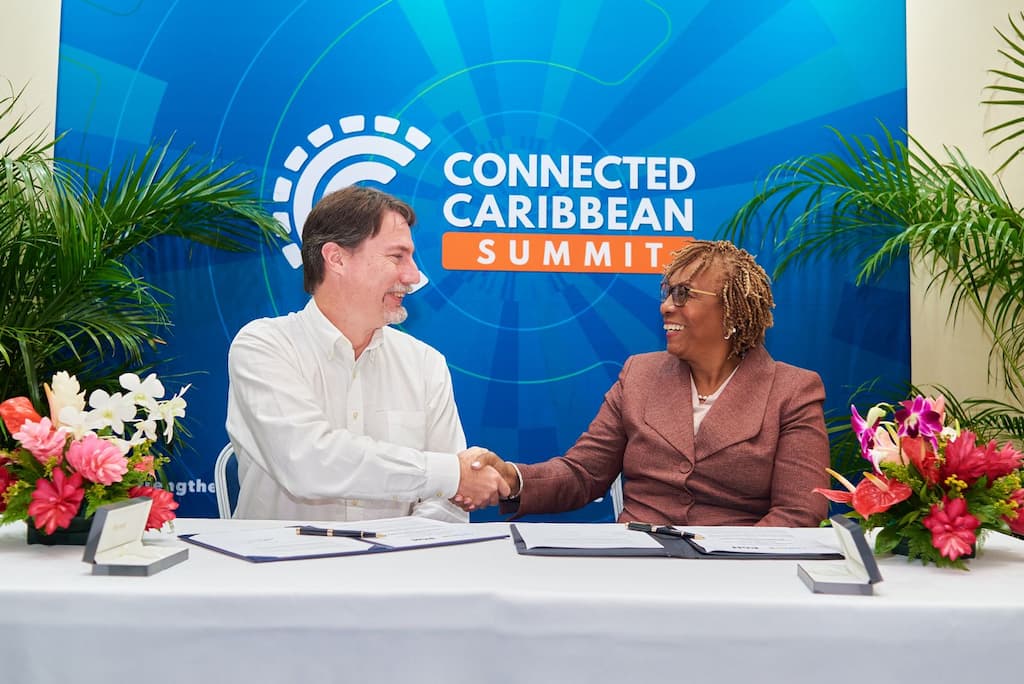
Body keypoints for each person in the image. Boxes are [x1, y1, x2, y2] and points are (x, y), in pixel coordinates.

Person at [471, 240, 829, 527]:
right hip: (637, 567)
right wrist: (513, 478)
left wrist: (726, 568)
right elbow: (582, 474)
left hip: (738, 579)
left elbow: (798, 513)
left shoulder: (792, 391)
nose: (666, 307)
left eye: (684, 295)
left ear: (732, 311)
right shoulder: (639, 375)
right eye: (668, 293)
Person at [226, 184, 508, 522]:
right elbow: (308, 462)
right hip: (277, 570)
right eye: (397, 256)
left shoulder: (425, 364)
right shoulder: (263, 347)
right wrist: (450, 473)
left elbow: (447, 506)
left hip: (397, 568)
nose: (414, 275)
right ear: (337, 258)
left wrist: (392, 557)